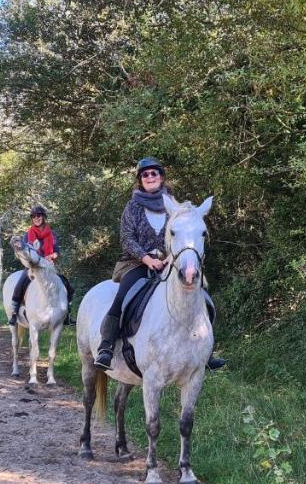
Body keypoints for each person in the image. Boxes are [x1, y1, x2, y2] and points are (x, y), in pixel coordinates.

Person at [93, 157, 225, 370]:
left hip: (169, 263)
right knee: (122, 297)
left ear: (161, 177)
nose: (150, 177)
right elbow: (127, 238)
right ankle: (106, 348)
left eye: (154, 173)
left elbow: (182, 235)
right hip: (136, 263)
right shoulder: (132, 207)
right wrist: (147, 259)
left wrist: (168, 259)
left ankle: (206, 351)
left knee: (203, 297)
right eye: (145, 174)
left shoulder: (174, 206)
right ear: (140, 180)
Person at [8, 205, 75, 326]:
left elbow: (56, 251)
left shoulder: (52, 234)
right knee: (20, 283)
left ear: (43, 217)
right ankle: (14, 312)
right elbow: (24, 252)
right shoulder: (27, 235)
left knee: (66, 284)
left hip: (48, 267)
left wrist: (53, 256)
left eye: (38, 215)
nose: (36, 218)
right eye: (33, 216)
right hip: (32, 267)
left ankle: (67, 314)